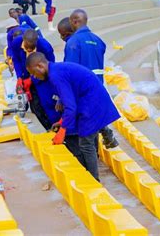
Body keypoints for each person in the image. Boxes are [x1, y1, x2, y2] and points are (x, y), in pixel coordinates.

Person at [26, 52, 121, 181]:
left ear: (40, 66)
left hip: (92, 101)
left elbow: (71, 107)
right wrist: (61, 119)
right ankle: (107, 135)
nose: (34, 76)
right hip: (90, 97)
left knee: (86, 143)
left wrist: (62, 130)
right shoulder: (57, 69)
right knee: (86, 137)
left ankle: (93, 180)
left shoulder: (55, 76)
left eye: (33, 73)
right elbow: (68, 94)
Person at [66, 9, 119, 149]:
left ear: (74, 21)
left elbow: (71, 71)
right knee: (93, 124)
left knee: (86, 138)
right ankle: (106, 134)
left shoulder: (73, 42)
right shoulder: (98, 41)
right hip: (98, 86)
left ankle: (91, 166)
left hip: (83, 90)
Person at [9, 30, 58, 130]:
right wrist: (19, 77)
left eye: (31, 49)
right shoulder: (16, 43)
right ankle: (46, 127)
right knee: (35, 106)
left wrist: (32, 79)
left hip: (42, 78)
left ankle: (53, 126)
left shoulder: (45, 48)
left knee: (46, 102)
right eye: (26, 48)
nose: (28, 50)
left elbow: (49, 68)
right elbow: (16, 60)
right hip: (25, 74)